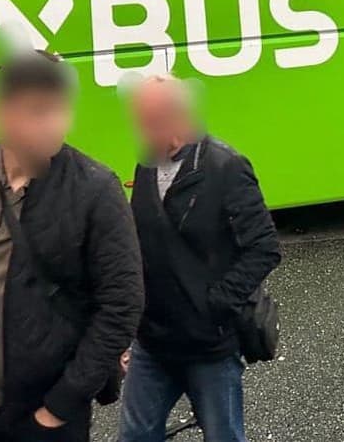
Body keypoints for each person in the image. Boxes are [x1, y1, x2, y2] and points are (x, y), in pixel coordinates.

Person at [0, 50, 144, 441]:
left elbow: (122, 305)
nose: (54, 123)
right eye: (37, 110)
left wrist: (58, 408)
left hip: (44, 419)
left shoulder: (95, 189)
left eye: (60, 109)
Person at [119, 75, 281, 442]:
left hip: (209, 346)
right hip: (153, 343)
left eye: (148, 120)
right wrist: (126, 331)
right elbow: (141, 247)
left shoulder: (226, 168)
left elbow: (264, 248)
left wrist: (214, 304)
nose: (141, 130)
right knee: (135, 436)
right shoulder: (146, 166)